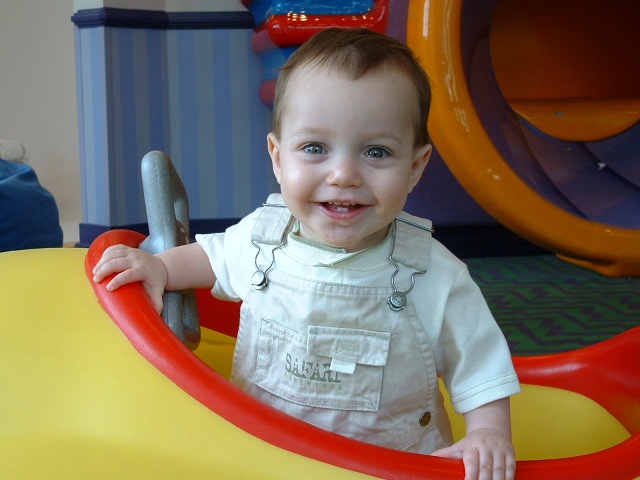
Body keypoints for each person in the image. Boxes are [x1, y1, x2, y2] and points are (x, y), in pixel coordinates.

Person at [93, 27, 520, 480]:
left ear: (414, 168)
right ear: (279, 158)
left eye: (376, 152)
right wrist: (159, 267)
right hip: (266, 458)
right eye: (315, 148)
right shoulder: (264, 237)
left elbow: (480, 363)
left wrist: (489, 432)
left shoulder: (433, 272)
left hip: (389, 466)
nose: (343, 175)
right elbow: (210, 259)